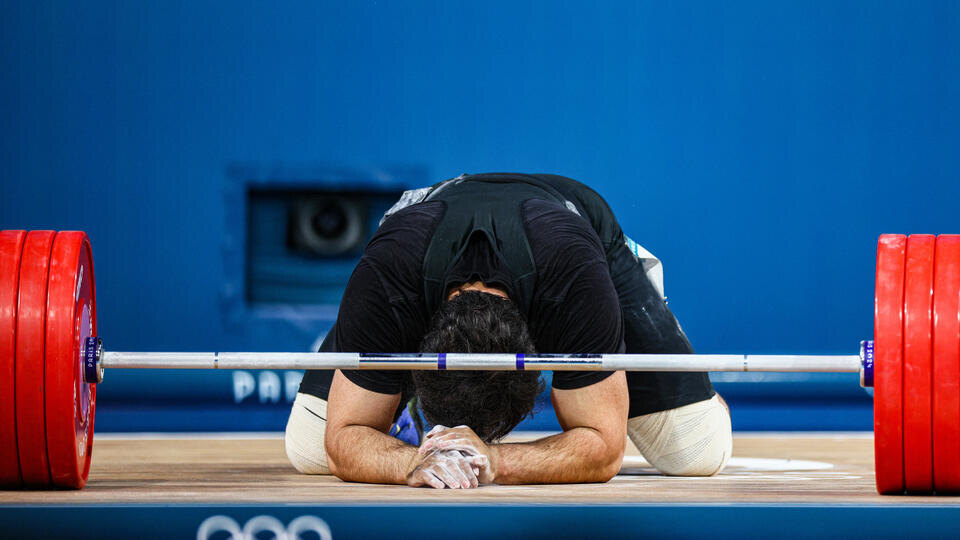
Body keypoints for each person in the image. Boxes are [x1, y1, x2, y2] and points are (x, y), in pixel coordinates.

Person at [284, 173, 732, 488]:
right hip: (426, 220)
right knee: (310, 451)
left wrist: (494, 459)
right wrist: (411, 462)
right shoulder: (389, 275)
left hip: (577, 223)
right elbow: (343, 438)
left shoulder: (571, 278)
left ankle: (701, 393)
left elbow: (605, 446)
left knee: (695, 450)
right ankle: (395, 413)